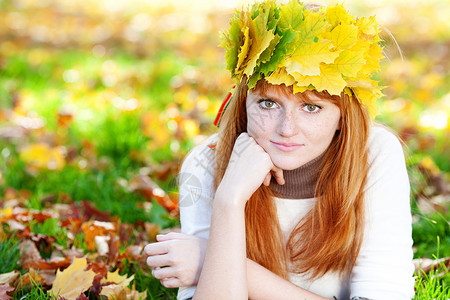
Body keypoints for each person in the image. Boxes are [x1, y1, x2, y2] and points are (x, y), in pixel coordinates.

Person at [144, 1, 415, 299]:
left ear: (342, 116)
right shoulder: (207, 163)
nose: (287, 128)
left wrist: (216, 259)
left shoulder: (373, 154)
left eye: (311, 107)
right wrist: (229, 200)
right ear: (244, 101)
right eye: (268, 103)